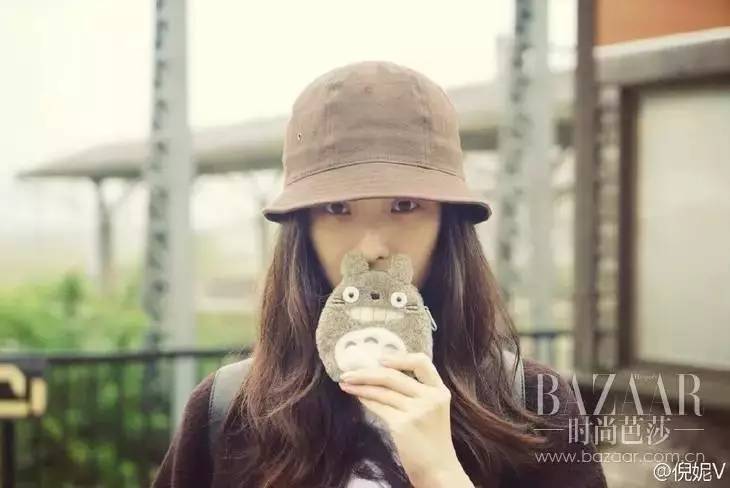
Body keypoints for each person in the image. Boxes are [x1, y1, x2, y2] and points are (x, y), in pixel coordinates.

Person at [151, 60, 607, 488]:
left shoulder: (533, 406)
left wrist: (441, 473)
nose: (371, 248)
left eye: (404, 206)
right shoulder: (227, 412)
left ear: (448, 225)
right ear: (302, 232)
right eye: (337, 209)